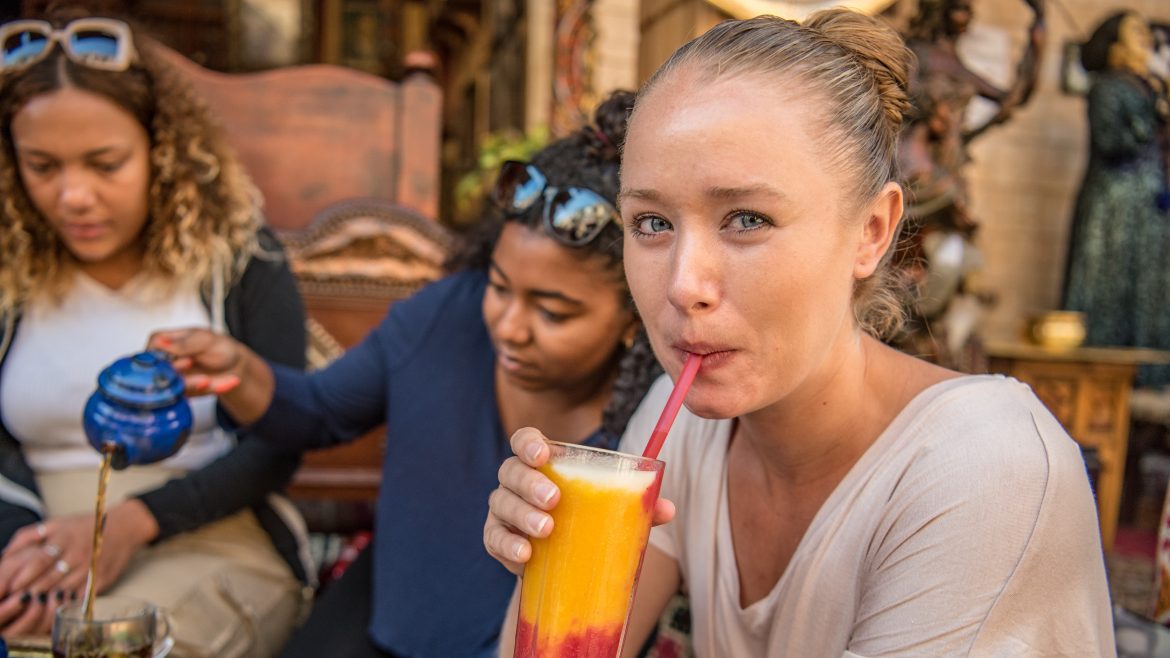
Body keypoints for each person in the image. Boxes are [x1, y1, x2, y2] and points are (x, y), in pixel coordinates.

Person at [485, 9, 1114, 656]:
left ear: (871, 231)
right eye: (651, 223)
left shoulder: (987, 469)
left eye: (747, 218)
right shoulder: (687, 426)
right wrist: (552, 582)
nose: (682, 284)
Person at [149, 90, 661, 658]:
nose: (508, 326)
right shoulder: (444, 315)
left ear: (634, 320)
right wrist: (241, 371)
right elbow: (317, 414)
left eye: (552, 312)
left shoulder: (653, 430)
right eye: (498, 287)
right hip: (385, 619)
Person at [0, 11, 311, 657]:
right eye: (42, 166)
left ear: (161, 149)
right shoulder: (8, 275)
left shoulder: (239, 262)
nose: (73, 196)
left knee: (108, 647)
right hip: (31, 544)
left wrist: (132, 522)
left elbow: (280, 440)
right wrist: (26, 543)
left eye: (104, 163)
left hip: (210, 533)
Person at [1062, 10, 1170, 388]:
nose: (1144, 40)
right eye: (1135, 33)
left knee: (1149, 288)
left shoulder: (1149, 84)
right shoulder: (1106, 87)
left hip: (1148, 205)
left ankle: (1150, 376)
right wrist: (1151, 116)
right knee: (1107, 287)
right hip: (1114, 205)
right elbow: (1112, 140)